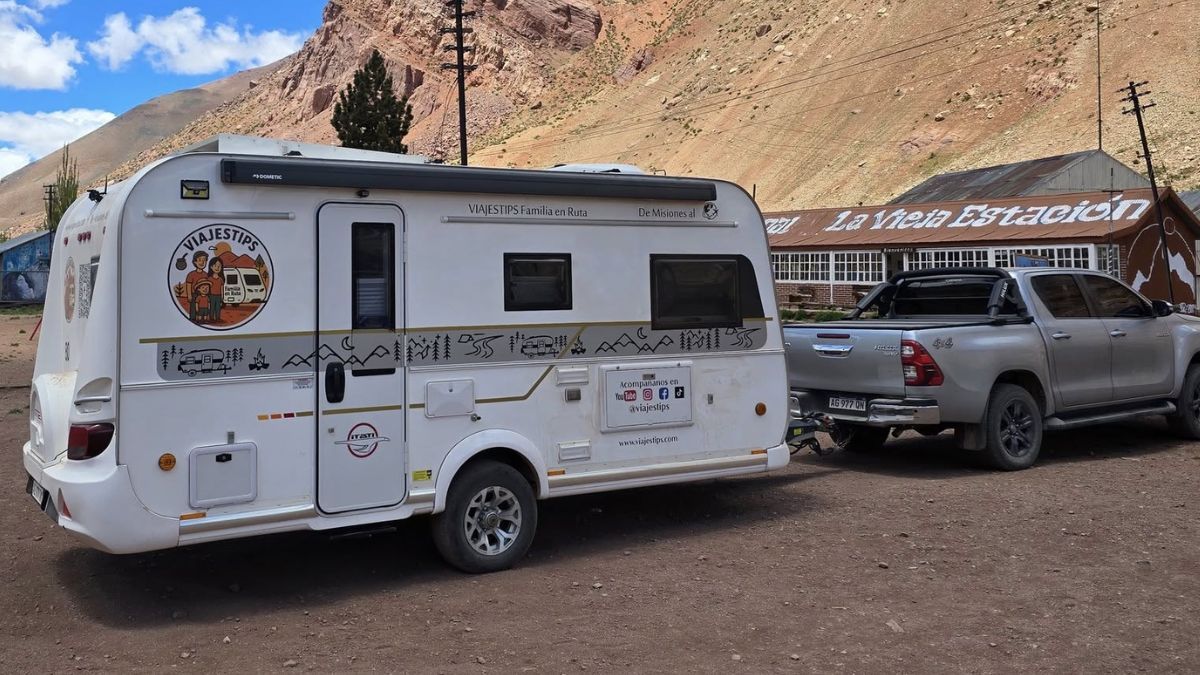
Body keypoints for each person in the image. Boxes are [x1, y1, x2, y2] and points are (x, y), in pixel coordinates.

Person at [184, 251, 211, 322]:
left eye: (204, 260)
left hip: (204, 294)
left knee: (203, 306)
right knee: (193, 307)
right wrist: (189, 295)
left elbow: (207, 285)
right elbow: (188, 285)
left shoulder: (206, 274)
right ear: (195, 262)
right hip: (194, 294)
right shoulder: (191, 274)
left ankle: (202, 318)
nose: (202, 262)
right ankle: (193, 318)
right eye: (200, 260)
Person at [208, 258, 225, 324]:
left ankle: (218, 318)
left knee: (218, 308)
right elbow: (208, 288)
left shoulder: (220, 279)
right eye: (215, 265)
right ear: (211, 267)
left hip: (218, 296)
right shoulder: (209, 278)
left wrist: (222, 297)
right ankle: (211, 318)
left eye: (219, 266)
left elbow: (221, 288)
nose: (217, 268)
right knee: (212, 307)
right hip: (211, 295)